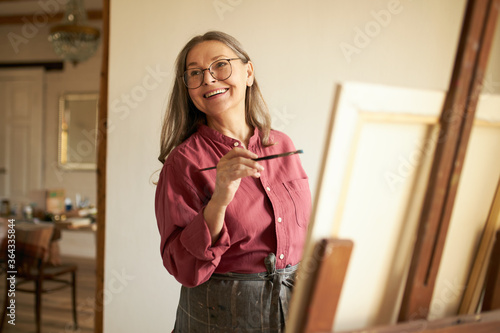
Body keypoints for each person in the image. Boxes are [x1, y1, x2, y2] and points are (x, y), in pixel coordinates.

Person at [155, 31, 311, 333]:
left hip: (293, 308)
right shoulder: (183, 163)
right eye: (195, 74)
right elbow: (182, 266)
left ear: (248, 72)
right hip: (220, 315)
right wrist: (221, 197)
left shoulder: (282, 145)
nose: (209, 80)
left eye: (221, 65)